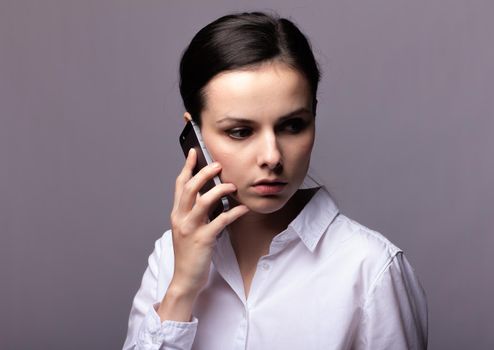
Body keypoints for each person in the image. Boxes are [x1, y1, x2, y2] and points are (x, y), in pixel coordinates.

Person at [123, 12, 427, 350]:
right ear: (195, 134)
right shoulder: (168, 258)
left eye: (292, 125)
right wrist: (181, 288)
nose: (272, 156)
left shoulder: (370, 269)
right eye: (240, 132)